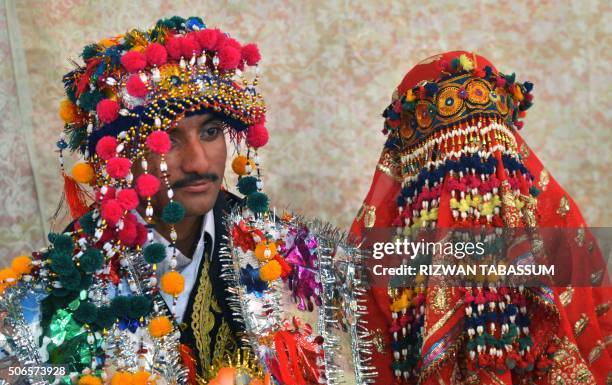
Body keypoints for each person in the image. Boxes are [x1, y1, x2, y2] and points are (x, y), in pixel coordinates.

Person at [0, 15, 271, 384]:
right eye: (167, 140)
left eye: (210, 132)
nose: (198, 162)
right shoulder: (56, 290)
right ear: (119, 159)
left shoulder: (284, 257)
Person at [352, 51, 611, 384]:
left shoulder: (555, 215)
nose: (468, 191)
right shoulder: (372, 243)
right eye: (449, 161)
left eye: (486, 149)